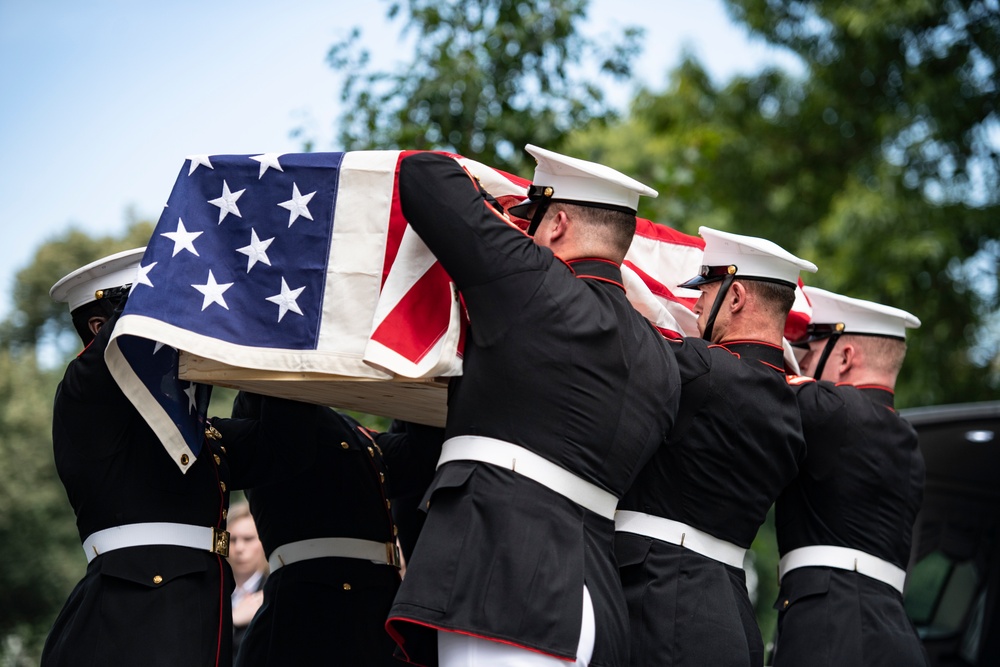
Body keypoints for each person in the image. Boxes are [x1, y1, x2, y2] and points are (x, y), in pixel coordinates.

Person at [385, 146, 681, 667]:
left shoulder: (533, 285)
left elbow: (423, 175)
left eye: (531, 218)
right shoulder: (661, 358)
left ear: (558, 223)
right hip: (594, 598)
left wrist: (493, 197)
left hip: (507, 582)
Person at [42, 248, 318, 667]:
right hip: (133, 612)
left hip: (202, 602)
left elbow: (287, 447)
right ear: (101, 327)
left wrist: (268, 352)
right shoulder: (84, 395)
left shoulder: (199, 433)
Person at [615, 227, 816, 667]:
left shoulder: (701, 371)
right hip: (728, 612)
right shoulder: (793, 408)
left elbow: (611, 333)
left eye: (705, 289)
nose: (697, 302)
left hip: (659, 599)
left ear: (737, 295)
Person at [772, 286, 929, 666]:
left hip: (830, 628)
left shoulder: (830, 410)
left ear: (844, 356)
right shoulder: (909, 442)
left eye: (808, 352)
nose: (804, 365)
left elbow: (750, 375)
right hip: (896, 635)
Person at [230, 391, 443, 667]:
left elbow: (423, 457)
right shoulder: (256, 404)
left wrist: (411, 383)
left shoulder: (358, 434)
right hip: (310, 608)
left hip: (377, 609)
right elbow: (291, 432)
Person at [227, 502, 268, 657]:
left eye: (248, 539)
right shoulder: (211, 592)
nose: (239, 548)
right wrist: (233, 619)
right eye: (232, 540)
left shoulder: (274, 593)